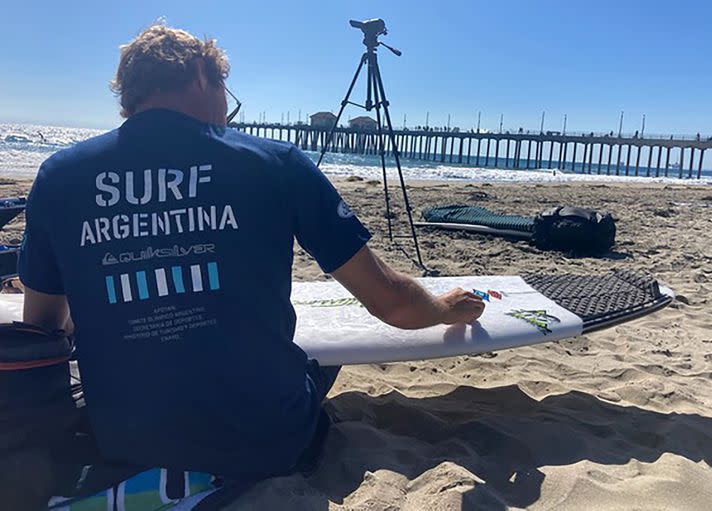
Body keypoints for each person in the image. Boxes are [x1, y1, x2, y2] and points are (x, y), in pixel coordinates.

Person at [18, 25, 485, 481]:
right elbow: (392, 303)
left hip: (121, 440)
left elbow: (41, 326)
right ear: (203, 76)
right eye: (226, 93)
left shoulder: (59, 176)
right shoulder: (276, 163)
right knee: (320, 360)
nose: (227, 114)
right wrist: (446, 309)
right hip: (269, 442)